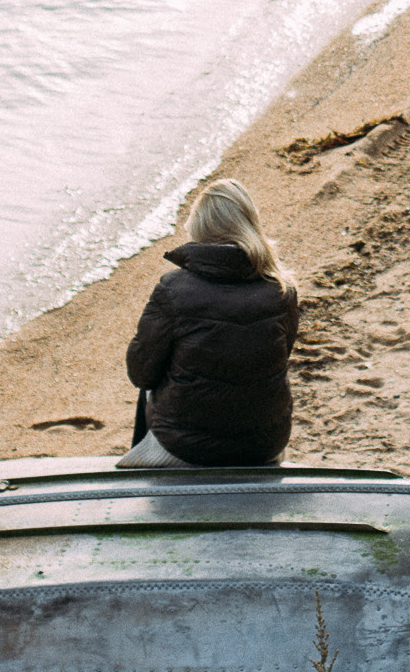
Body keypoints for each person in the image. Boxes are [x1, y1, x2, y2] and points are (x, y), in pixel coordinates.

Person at [123, 178, 298, 468]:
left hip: (185, 447)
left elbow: (140, 373)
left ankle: (147, 472)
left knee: (150, 383)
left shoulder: (173, 289)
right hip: (263, 445)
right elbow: (281, 354)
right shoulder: (281, 289)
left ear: (201, 226)